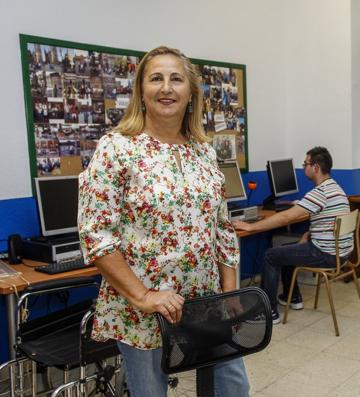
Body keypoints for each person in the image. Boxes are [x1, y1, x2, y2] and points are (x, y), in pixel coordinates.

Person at [78, 46, 249, 397]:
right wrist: (143, 296)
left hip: (206, 304)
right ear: (142, 91)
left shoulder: (203, 151)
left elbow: (223, 230)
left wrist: (230, 293)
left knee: (232, 388)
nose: (166, 87)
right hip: (143, 313)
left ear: (191, 93)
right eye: (156, 78)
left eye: (176, 79)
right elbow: (97, 234)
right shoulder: (117, 148)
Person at [233, 147, 352, 324]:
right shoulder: (335, 188)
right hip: (342, 252)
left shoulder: (320, 193)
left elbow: (286, 216)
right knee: (286, 251)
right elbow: (330, 220)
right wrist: (309, 233)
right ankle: (293, 297)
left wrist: (251, 228)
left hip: (326, 254)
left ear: (316, 167)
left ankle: (268, 312)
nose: (304, 167)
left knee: (270, 255)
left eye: (306, 164)